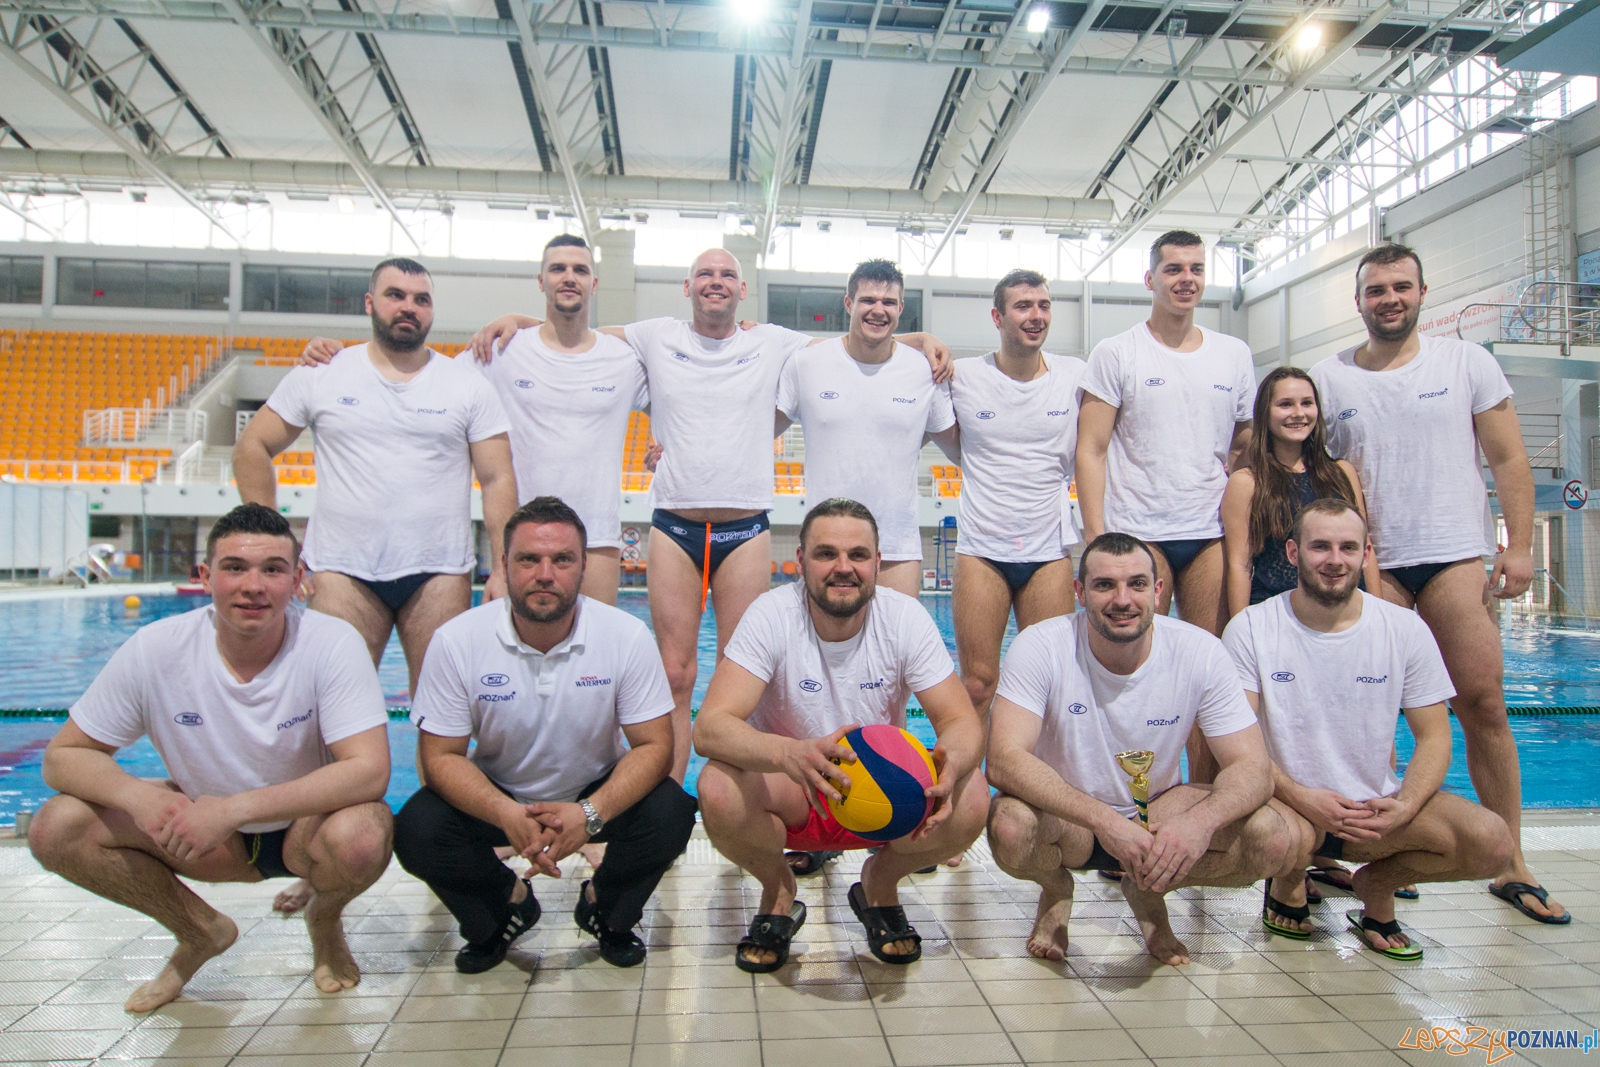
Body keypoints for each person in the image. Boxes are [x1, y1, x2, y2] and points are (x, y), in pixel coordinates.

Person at [464, 248, 951, 786]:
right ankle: (670, 799)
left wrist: (920, 339)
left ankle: (749, 795)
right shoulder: (656, 335)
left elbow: (855, 339)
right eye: (705, 274)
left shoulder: (773, 342)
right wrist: (520, 320)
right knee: (674, 673)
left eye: (727, 276)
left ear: (743, 291)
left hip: (744, 528)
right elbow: (583, 331)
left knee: (739, 676)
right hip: (676, 523)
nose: (715, 282)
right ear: (687, 286)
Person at [27, 504, 392, 1012]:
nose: (253, 586)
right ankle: (199, 930)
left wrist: (233, 809)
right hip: (202, 838)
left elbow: (369, 771)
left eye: (272, 569)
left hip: (305, 831)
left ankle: (325, 917)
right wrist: (137, 799)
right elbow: (63, 757)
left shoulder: (330, 643)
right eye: (234, 568)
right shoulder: (156, 649)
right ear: (205, 577)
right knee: (56, 827)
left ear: (297, 581)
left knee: (364, 834)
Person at [1310, 244, 1564, 924]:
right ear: (1359, 301)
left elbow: (1508, 456)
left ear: (1423, 291)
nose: (1389, 299)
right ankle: (1382, 852)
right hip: (1371, 562)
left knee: (1483, 704)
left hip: (1453, 554)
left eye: (1401, 286)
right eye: (1376, 290)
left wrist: (1519, 547)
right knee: (1367, 713)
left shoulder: (1466, 362)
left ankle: (1512, 861)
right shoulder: (1329, 378)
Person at [392, 497, 695, 972]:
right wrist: (505, 813)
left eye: (562, 560)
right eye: (529, 559)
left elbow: (656, 746)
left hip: (593, 790)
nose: (545, 574)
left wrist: (590, 814)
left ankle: (606, 909)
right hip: (501, 793)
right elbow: (440, 758)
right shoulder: (458, 640)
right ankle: (504, 906)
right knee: (416, 829)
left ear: (583, 567)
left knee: (672, 812)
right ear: (505, 565)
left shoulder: (624, 636)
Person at [984, 532, 1309, 965]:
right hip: (1069, 822)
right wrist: (1103, 820)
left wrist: (1199, 823)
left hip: (1158, 814)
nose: (1122, 600)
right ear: (1080, 592)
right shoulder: (1042, 645)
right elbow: (1004, 760)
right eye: (1104, 585)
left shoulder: (1199, 652)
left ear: (1157, 591)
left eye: (1136, 584)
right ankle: (1056, 887)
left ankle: (1150, 888)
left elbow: (1252, 767)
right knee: (1010, 826)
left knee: (1271, 839)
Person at [693, 499, 989, 972]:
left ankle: (880, 883)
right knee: (716, 786)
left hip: (886, 797)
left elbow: (960, 721)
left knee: (972, 793)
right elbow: (710, 726)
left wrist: (953, 763)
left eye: (858, 555)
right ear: (800, 561)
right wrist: (790, 753)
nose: (843, 568)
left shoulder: (904, 618)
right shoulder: (771, 615)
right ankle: (777, 889)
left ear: (878, 563)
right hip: (795, 791)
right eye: (826, 553)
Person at [1224, 499, 1514, 958]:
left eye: (1347, 547)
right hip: (1287, 808)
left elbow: (1435, 736)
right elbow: (1239, 747)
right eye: (1320, 546)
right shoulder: (1252, 628)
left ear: (1366, 554)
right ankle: (1288, 877)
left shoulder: (1403, 629)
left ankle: (1377, 885)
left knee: (1492, 842)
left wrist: (1405, 804)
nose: (1334, 560)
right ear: (1294, 553)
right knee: (1268, 835)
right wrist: (1301, 797)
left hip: (1373, 814)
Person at [300, 236, 645, 604]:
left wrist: (663, 448)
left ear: (595, 283)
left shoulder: (622, 359)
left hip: (596, 537)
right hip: (520, 537)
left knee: (596, 640)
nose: (569, 277)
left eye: (580, 270)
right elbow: (422, 376)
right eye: (558, 268)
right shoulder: (501, 349)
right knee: (511, 643)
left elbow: (677, 401)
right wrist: (342, 361)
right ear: (541, 280)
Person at [1076, 230, 1254, 637]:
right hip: (1137, 529)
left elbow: (1244, 446)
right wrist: (1095, 535)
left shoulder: (1234, 354)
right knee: (1133, 650)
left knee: (1211, 649)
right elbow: (1091, 450)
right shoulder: (1116, 352)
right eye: (1173, 269)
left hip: (1210, 530)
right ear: (1150, 279)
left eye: (1196, 269)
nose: (1186, 278)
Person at [948, 269, 1087, 720]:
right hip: (982, 550)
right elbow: (894, 355)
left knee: (1052, 684)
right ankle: (972, 770)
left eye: (1044, 306)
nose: (1036, 315)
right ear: (997, 316)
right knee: (977, 684)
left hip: (1048, 551)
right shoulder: (963, 376)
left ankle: (1029, 769)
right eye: (1023, 306)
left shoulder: (1076, 376)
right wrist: (924, 338)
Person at [776, 259, 957, 599]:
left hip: (896, 548)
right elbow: (759, 430)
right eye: (868, 300)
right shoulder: (806, 363)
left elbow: (961, 450)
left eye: (888, 302)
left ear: (900, 308)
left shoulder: (924, 371)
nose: (878, 310)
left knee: (897, 636)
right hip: (826, 546)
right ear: (848, 303)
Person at [1221, 366, 1380, 616]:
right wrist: (1240, 626)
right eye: (1285, 404)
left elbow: (1364, 549)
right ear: (1265, 413)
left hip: (1344, 611)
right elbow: (1240, 565)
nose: (1298, 413)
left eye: (1307, 403)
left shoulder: (1342, 473)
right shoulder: (1247, 483)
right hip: (1278, 615)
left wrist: (1378, 613)